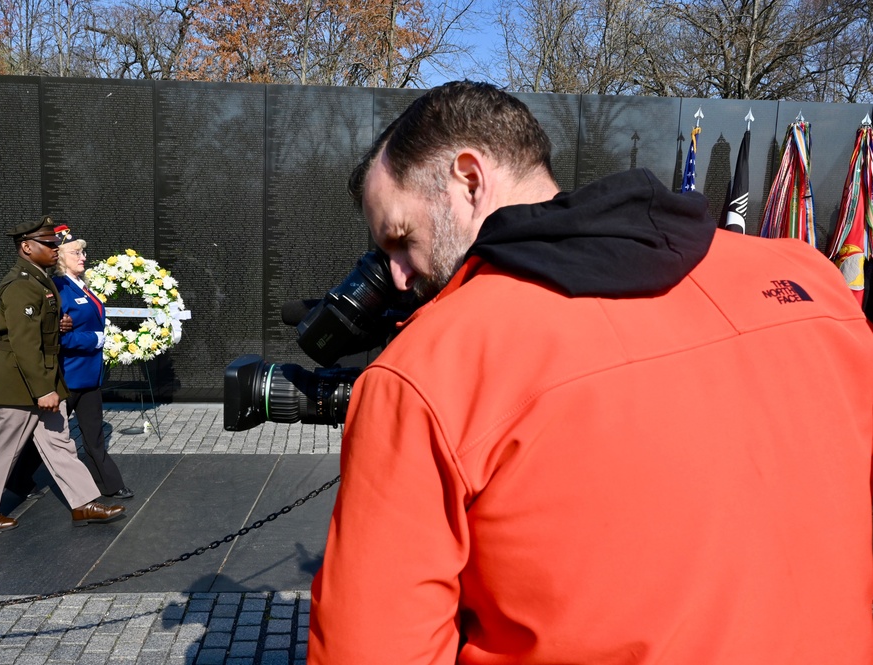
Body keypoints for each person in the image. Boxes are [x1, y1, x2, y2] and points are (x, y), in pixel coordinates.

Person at [307, 81, 873, 664]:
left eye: (401, 239)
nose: (398, 278)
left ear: (470, 181)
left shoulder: (429, 369)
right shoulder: (817, 285)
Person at [0, 216, 126, 531]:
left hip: (43, 379)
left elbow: (39, 326)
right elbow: (24, 343)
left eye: (55, 244)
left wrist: (58, 325)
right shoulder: (20, 285)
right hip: (19, 382)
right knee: (3, 445)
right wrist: (43, 390)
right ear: (27, 247)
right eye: (49, 244)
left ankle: (83, 503)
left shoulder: (39, 281)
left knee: (59, 442)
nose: (55, 249)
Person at [8, 232, 134, 500]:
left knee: (93, 434)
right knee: (49, 435)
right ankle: (17, 480)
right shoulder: (58, 288)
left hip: (89, 376)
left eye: (83, 251)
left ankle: (110, 484)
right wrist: (96, 339)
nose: (83, 256)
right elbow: (57, 336)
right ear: (61, 258)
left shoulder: (82, 285)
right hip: (67, 377)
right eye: (76, 252)